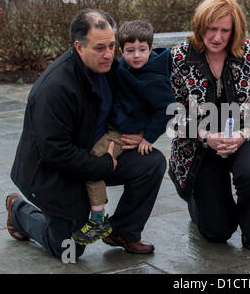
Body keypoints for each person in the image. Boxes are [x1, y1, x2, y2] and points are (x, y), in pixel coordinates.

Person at [7, 9, 166, 260]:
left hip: (97, 154)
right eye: (100, 48)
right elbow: (55, 152)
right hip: (53, 171)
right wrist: (101, 165)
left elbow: (145, 97)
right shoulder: (55, 88)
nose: (108, 54)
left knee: (152, 162)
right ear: (79, 47)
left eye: (112, 46)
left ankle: (123, 231)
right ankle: (18, 210)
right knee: (69, 249)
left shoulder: (111, 69)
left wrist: (143, 132)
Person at [168, 0, 250, 250]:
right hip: (199, 146)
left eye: (225, 30)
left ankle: (248, 219)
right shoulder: (179, 56)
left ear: (235, 31)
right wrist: (205, 136)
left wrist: (242, 134)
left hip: (246, 135)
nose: (217, 37)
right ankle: (200, 200)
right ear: (200, 26)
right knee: (216, 231)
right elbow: (172, 113)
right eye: (211, 29)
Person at [70, 19, 175, 245]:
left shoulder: (153, 79)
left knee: (92, 164)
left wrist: (147, 136)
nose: (136, 55)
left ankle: (97, 219)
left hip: (119, 134)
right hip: (110, 126)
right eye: (130, 50)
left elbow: (167, 109)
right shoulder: (122, 67)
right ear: (121, 51)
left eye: (142, 50)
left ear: (150, 47)